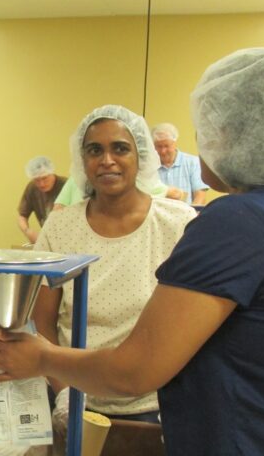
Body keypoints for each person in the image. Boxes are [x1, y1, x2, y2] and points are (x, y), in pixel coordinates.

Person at [0, 48, 264, 456]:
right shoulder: (261, 222)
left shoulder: (231, 224)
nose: (107, 160)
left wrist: (38, 358)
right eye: (93, 151)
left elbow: (135, 371)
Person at [31, 105, 196, 423]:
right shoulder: (61, 227)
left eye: (120, 148)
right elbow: (44, 322)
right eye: (95, 150)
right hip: (78, 400)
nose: (107, 160)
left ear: (142, 157)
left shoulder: (177, 223)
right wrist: (64, 392)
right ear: (83, 161)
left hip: (157, 403)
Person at [151, 122, 208, 205]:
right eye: (159, 146)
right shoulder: (149, 167)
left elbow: (200, 197)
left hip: (188, 215)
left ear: (175, 143)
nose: (163, 151)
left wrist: (192, 215)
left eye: (166, 146)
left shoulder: (193, 163)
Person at [17, 156, 66, 243]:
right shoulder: (32, 187)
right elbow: (22, 216)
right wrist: (28, 231)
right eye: (37, 180)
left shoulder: (66, 186)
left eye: (45, 178)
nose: (41, 184)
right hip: (47, 239)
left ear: (52, 173)